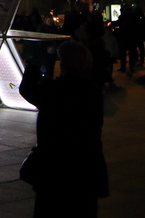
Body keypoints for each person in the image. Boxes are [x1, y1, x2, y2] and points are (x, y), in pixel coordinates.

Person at [20, 39, 108, 218]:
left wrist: (33, 66)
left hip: (55, 165)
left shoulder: (55, 90)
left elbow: (28, 89)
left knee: (51, 208)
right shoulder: (92, 91)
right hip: (86, 165)